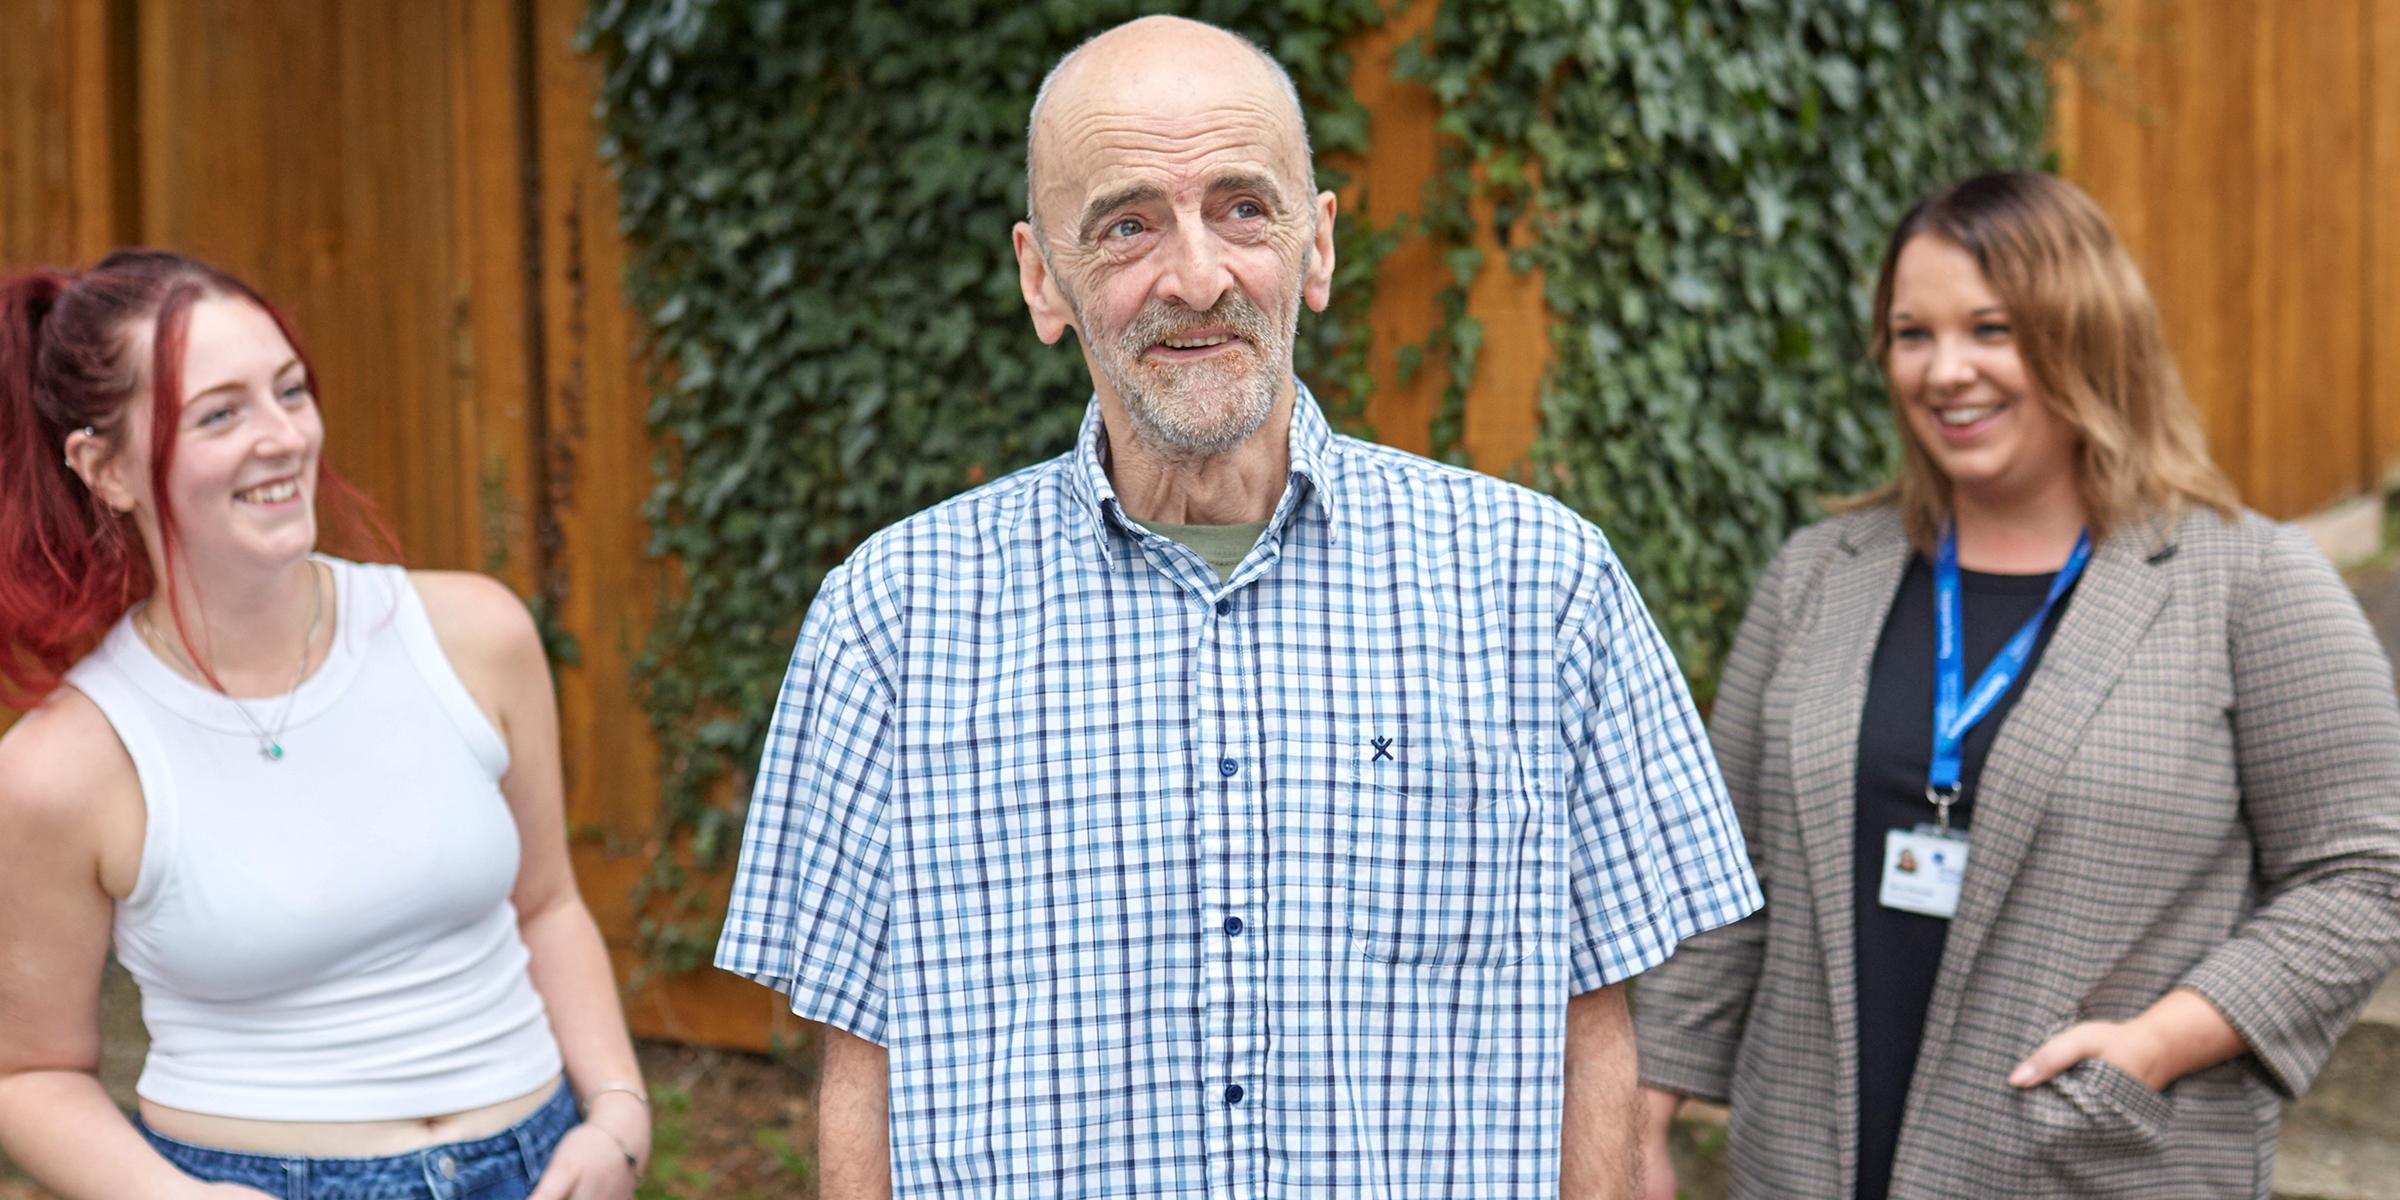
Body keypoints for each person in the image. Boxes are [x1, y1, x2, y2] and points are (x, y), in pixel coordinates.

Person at [713, 15, 1761, 1198]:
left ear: (1317, 249)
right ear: (1042, 278)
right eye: (1127, 225)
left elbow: (1593, 1034)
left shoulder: (1540, 588)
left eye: (1243, 208)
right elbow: (864, 1066)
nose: (1197, 275)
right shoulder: (890, 622)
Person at [1634, 172, 2400, 1199]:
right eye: (1913, 334)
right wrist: (1641, 1115)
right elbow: (1722, 877)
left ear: (2089, 333)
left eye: (1992, 329)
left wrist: (2163, 1042)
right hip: (1805, 1162)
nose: (1946, 371)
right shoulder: (1821, 573)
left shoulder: (2245, 583)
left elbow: (2367, 871)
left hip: (2083, 1162)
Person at [0, 250, 652, 1200]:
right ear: (106, 469)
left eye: (290, 391)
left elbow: (548, 904)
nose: (283, 438)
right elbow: (30, 1074)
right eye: (219, 413)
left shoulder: (476, 634)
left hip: (544, 1161)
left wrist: (621, 1120)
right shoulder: (63, 769)